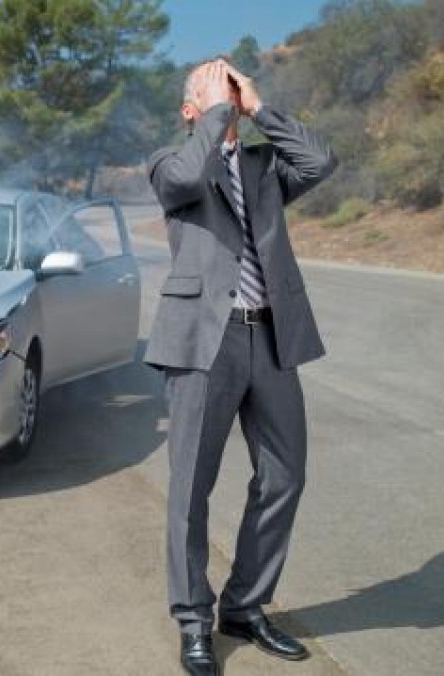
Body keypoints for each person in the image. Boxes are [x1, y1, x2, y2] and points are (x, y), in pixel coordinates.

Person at [146, 59, 337, 675]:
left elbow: (320, 162)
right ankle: (193, 621)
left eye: (232, 90)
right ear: (190, 110)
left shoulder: (263, 166)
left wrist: (258, 109)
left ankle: (245, 607)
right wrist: (217, 113)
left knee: (285, 476)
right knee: (190, 490)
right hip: (205, 342)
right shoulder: (170, 163)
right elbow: (185, 178)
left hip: (272, 339)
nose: (227, 99)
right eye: (214, 92)